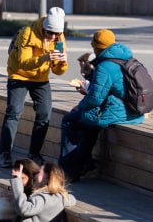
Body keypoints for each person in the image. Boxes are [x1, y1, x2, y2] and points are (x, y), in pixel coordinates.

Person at [58, 29, 144, 180]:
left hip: (120, 111)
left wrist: (80, 106)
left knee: (70, 120)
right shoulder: (125, 58)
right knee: (87, 121)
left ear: (95, 46)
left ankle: (67, 170)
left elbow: (95, 99)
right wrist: (90, 76)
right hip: (135, 110)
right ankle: (84, 164)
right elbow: (112, 87)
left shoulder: (105, 66)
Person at [0, 7, 68, 168]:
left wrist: (62, 62)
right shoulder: (28, 33)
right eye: (50, 33)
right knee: (13, 112)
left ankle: (34, 153)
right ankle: (5, 153)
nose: (53, 37)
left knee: (45, 114)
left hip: (40, 79)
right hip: (19, 75)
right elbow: (23, 63)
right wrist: (44, 58)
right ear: (44, 27)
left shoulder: (59, 39)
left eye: (56, 33)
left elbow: (57, 71)